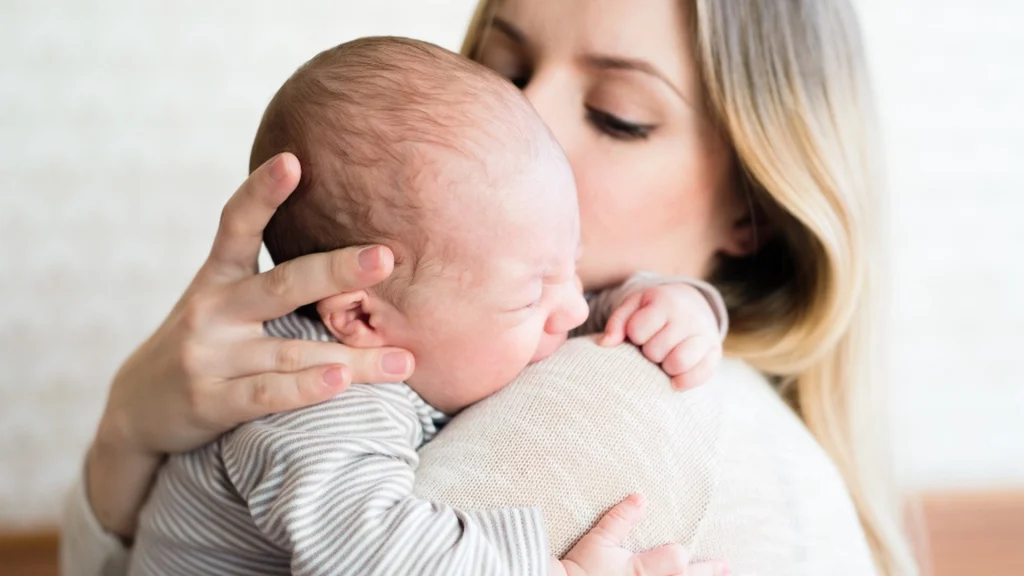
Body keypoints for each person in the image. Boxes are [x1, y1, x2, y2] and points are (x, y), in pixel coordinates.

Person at [61, 1, 917, 575]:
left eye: (619, 113)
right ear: (362, 310)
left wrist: (682, 306)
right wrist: (131, 427)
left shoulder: (679, 433)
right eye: (501, 69)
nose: (529, 120)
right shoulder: (323, 393)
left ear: (755, 212)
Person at [129, 36, 724, 576]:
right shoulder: (313, 399)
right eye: (532, 293)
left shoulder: (458, 301)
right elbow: (380, 554)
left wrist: (661, 303)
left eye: (573, 260)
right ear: (362, 319)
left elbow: (565, 301)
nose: (573, 308)